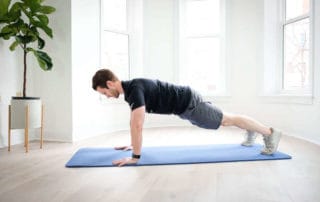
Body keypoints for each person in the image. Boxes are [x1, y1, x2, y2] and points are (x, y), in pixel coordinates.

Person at [92, 69, 282, 167]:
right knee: (228, 118)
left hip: (188, 104)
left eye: (104, 92)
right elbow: (135, 122)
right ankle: (251, 129)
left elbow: (137, 124)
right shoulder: (132, 89)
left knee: (225, 120)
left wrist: (135, 158)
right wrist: (133, 144)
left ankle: (269, 133)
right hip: (186, 103)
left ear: (109, 83)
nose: (107, 96)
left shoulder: (134, 90)